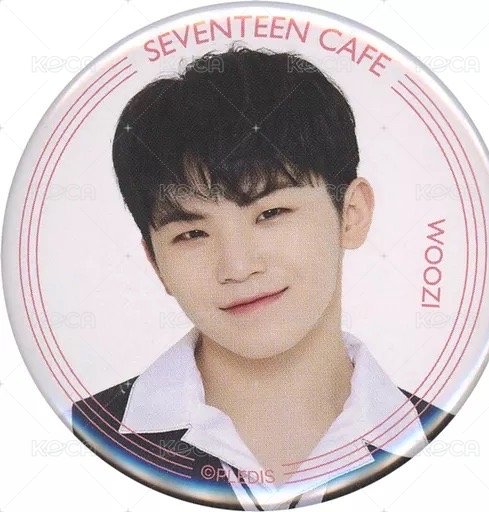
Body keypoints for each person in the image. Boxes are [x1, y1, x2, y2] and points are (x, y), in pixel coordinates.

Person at [71, 44, 453, 509]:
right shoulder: (78, 441)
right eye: (192, 234)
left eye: (270, 213)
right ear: (155, 262)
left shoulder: (452, 444)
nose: (237, 267)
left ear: (351, 214)